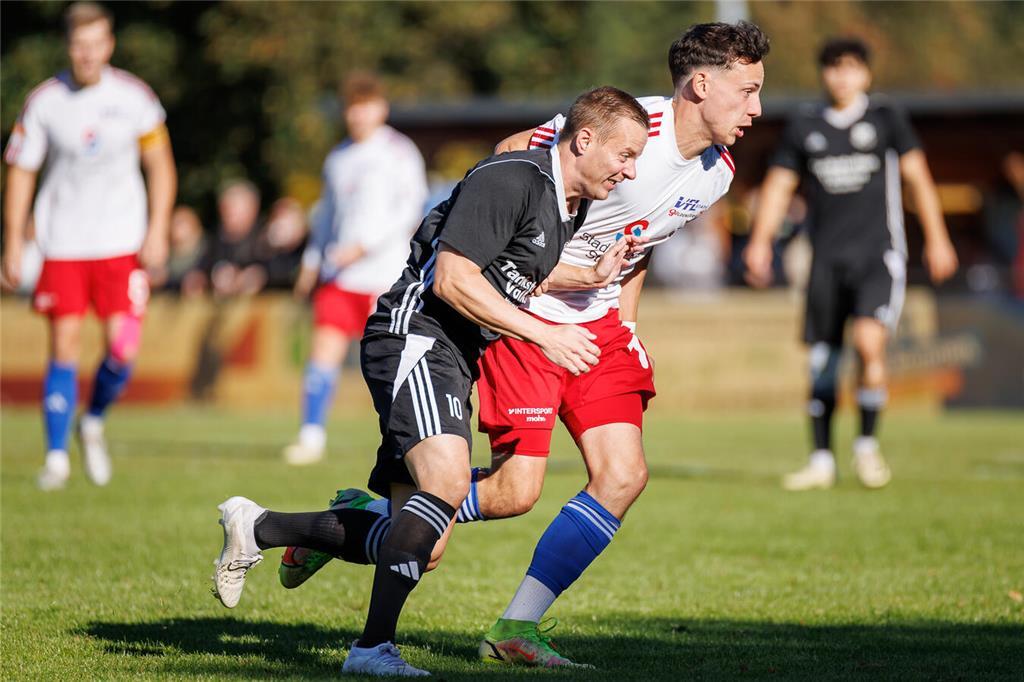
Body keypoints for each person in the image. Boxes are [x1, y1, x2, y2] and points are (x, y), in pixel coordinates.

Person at [278, 21, 770, 669]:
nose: (756, 108)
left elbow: (641, 243)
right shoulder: (632, 128)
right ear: (701, 85)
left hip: (599, 325)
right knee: (515, 492)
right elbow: (514, 156)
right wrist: (507, 263)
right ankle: (376, 515)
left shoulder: (718, 174)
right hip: (527, 313)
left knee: (624, 475)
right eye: (748, 91)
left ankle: (517, 626)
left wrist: (626, 322)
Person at [209, 86, 650, 677]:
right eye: (625, 155)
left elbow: (518, 271)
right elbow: (452, 279)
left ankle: (259, 526)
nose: (630, 171)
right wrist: (545, 335)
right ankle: (371, 651)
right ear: (585, 139)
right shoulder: (512, 178)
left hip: (454, 353)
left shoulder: (567, 205)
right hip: (415, 335)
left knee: (422, 540)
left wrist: (589, 274)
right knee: (444, 484)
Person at [744, 37, 958, 491]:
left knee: (867, 343)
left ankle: (866, 447)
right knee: (822, 362)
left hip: (878, 255)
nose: (841, 76)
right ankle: (821, 461)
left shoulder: (885, 117)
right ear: (823, 73)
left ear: (866, 74)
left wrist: (938, 238)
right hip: (825, 260)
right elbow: (780, 185)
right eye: (833, 67)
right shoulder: (805, 124)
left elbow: (918, 178)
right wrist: (760, 242)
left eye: (851, 67)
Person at [2, 1, 176, 490]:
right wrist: (12, 240)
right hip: (63, 244)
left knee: (123, 348)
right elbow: (21, 172)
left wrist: (158, 229)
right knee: (64, 345)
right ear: (68, 47)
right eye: (80, 45)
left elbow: (161, 165)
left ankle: (93, 419)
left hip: (122, 244)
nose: (88, 54)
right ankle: (56, 457)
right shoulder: (44, 102)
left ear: (109, 45)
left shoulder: (136, 98)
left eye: (96, 44)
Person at [283, 73, 428, 466]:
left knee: (391, 360)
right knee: (322, 353)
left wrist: (365, 246)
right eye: (351, 107)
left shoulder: (399, 151)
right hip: (341, 276)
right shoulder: (338, 157)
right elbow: (327, 216)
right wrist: (312, 261)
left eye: (364, 107)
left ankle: (407, 437)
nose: (357, 115)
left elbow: (410, 208)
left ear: (381, 108)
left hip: (385, 275)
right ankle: (311, 436)